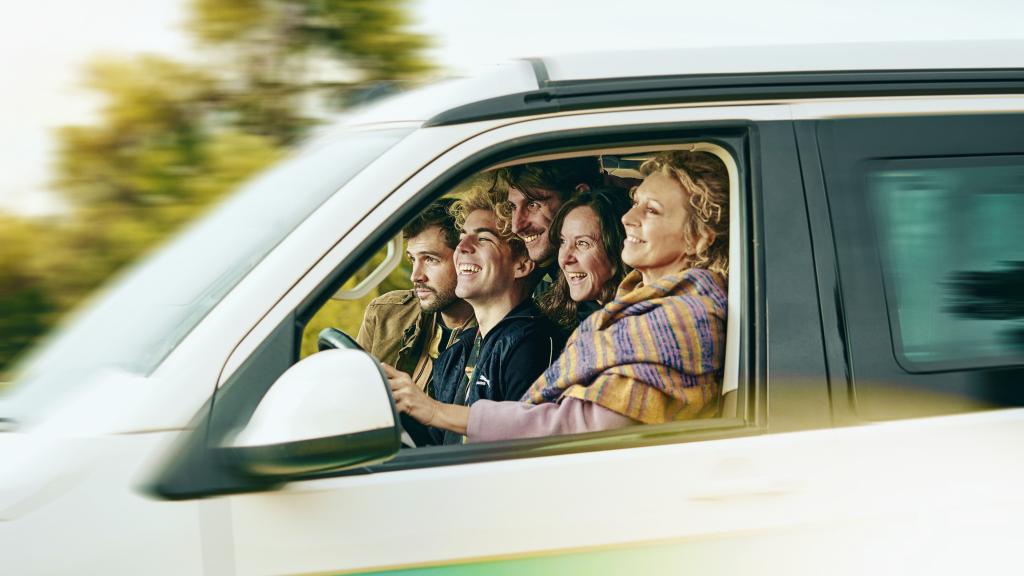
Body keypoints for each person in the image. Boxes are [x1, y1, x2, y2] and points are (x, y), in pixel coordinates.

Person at [388, 150, 729, 442]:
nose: (628, 217)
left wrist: (434, 411)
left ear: (699, 238)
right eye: (635, 202)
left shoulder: (681, 319)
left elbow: (579, 428)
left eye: (651, 210)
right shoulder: (638, 312)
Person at [382, 180, 565, 445]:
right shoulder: (457, 353)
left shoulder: (532, 345)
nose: (462, 248)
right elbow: (434, 446)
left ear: (522, 264)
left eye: (483, 239)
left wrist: (432, 410)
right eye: (462, 238)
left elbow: (525, 444)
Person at [356, 198, 475, 392]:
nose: (416, 276)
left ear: (465, 258)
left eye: (430, 259)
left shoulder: (494, 330)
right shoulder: (385, 313)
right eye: (412, 259)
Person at [498, 157, 604, 295]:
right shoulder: (545, 286)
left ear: (580, 195)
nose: (516, 227)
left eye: (532, 205)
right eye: (513, 207)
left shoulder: (600, 282)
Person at [537, 186, 632, 330]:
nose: (564, 259)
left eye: (582, 243)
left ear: (617, 250)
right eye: (563, 241)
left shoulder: (635, 325)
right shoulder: (555, 316)